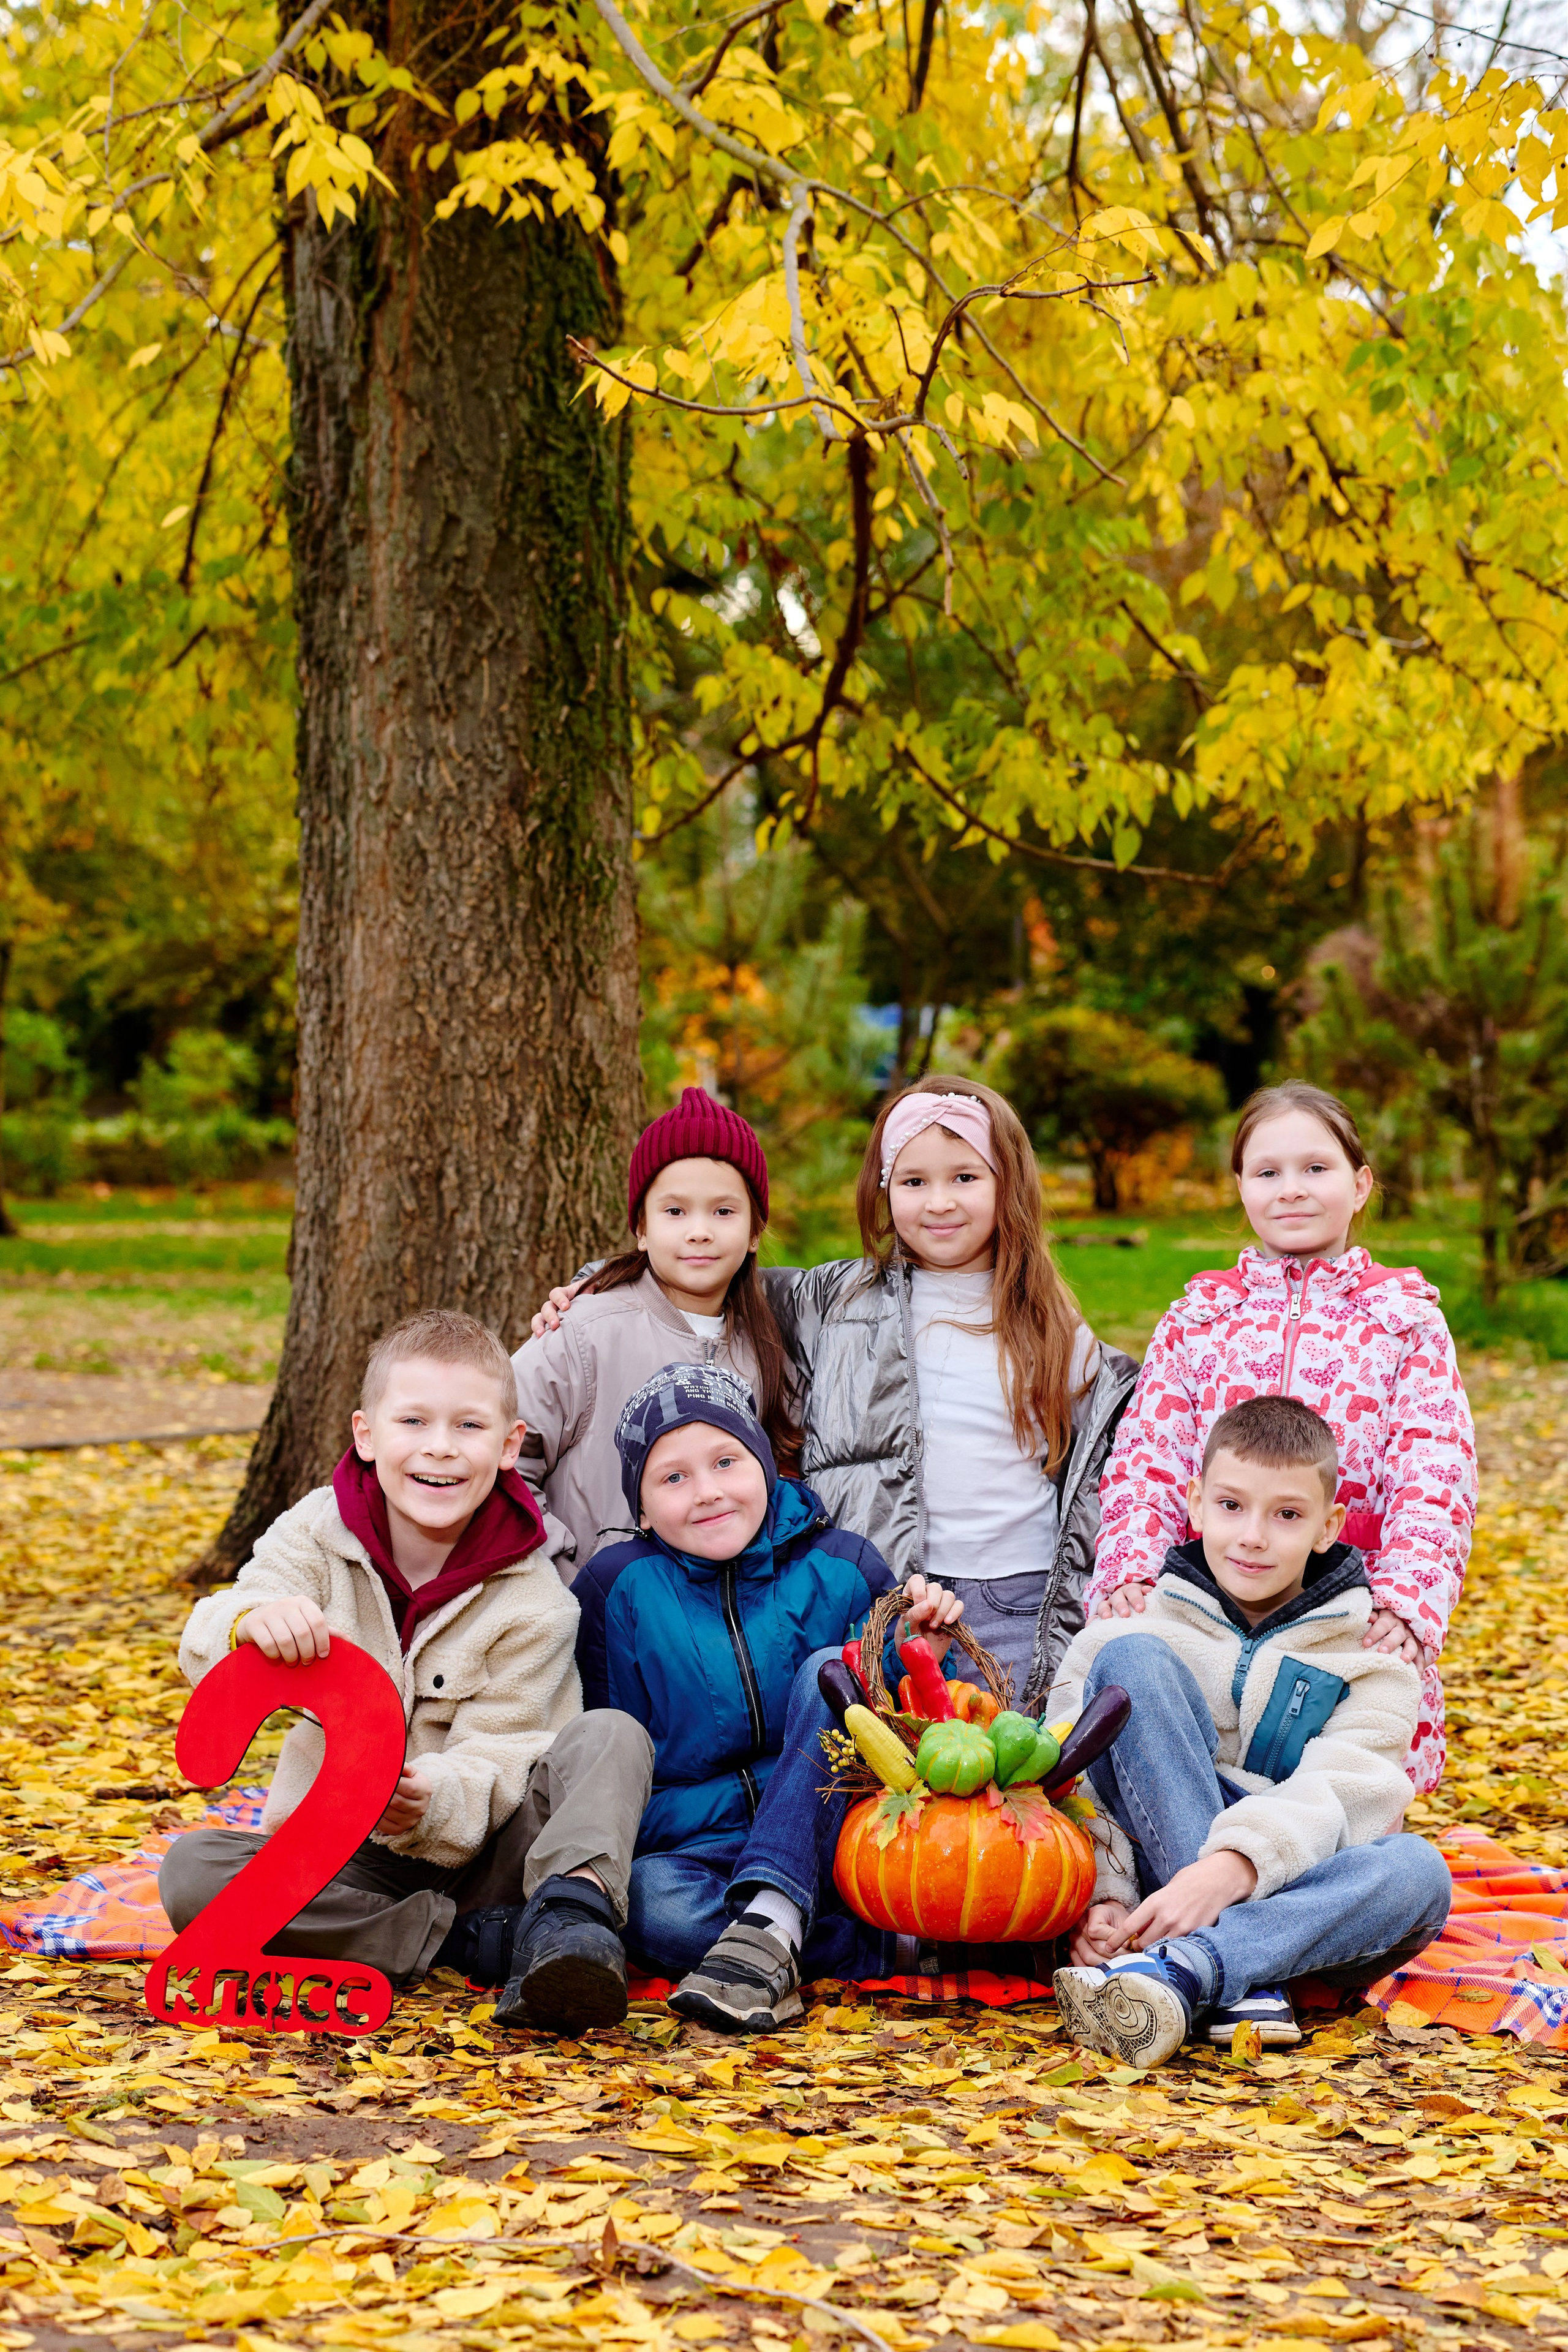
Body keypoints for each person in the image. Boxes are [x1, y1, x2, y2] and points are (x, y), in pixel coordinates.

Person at [536, 1076, 1136, 1705]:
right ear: (883, 1189)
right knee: (892, 1777)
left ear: (1006, 1184)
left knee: (1012, 1772)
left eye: (964, 1178)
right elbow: (705, 1268)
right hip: (886, 1597)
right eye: (912, 1182)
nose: (938, 1202)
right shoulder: (833, 1299)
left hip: (1020, 1593)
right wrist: (597, 1282)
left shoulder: (1050, 1322)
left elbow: (1103, 1453)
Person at [160, 1309, 655, 2036]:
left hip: (489, 1855)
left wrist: (434, 1798)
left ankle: (567, 1923)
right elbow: (219, 1623)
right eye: (414, 1422)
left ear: (511, 1445)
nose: (440, 1449)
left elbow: (511, 1746)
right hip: (341, 1859)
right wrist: (249, 1623)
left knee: (610, 1735)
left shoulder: (534, 1595)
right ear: (367, 1434)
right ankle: (470, 1943)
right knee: (194, 1872)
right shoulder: (315, 1532)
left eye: (468, 1427)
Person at [1087, 1080, 1477, 1793]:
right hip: (1213, 1589)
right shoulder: (1200, 1320)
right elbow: (1148, 1456)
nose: (1291, 1190)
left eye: (1315, 1169)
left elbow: (1435, 1472)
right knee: (1202, 1770)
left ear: (1359, 1185)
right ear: (1240, 1187)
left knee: (1335, 1783)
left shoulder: (1402, 1321)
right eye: (1267, 1172)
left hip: (1346, 1603)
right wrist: (1133, 1569)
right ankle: (1199, 1863)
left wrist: (1405, 1601)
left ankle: (1335, 1873)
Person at [1050, 1395, 1453, 2065]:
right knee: (1134, 1667)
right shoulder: (1121, 1635)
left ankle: (1191, 1968)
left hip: (1297, 1901)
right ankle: (1228, 1978)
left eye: (1287, 1515)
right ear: (1194, 1502)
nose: (1253, 1536)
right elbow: (1070, 1781)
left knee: (1418, 1872)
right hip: (1155, 1885)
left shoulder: (1373, 1663)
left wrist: (1227, 1870)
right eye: (1231, 1506)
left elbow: (1346, 1793)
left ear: (1328, 1526)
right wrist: (1103, 1899)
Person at [573, 1361, 965, 2031]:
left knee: (827, 1669)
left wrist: (916, 1659)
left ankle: (770, 1926)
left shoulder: (843, 1565)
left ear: (764, 1463)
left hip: (833, 1837)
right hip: (698, 1848)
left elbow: (892, 1733)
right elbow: (619, 1754)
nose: (706, 1492)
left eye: (726, 1461)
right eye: (673, 1478)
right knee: (650, 1908)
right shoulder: (617, 1588)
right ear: (640, 1507)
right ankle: (836, 1941)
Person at [511, 1087, 802, 1577]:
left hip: (711, 1637)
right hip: (588, 1625)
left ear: (755, 1232)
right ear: (641, 1230)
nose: (699, 1231)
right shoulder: (584, 1331)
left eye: (723, 1212)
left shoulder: (770, 1349)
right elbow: (500, 1452)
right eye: (675, 1211)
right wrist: (561, 1574)